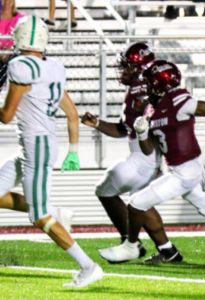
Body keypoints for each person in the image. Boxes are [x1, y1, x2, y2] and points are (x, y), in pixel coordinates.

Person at [99, 60, 205, 264]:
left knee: (137, 203)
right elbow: (149, 149)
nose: (146, 87)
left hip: (184, 173)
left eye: (150, 83)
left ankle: (130, 246)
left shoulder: (178, 99)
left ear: (159, 83)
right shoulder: (154, 107)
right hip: (179, 170)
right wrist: (142, 133)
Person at [0, 16, 102, 287]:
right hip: (37, 145)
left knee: (38, 216)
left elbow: (6, 116)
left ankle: (88, 266)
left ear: (19, 38)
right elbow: (71, 113)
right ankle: (57, 210)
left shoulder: (20, 66)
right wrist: (74, 151)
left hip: (37, 146)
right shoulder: (53, 68)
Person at [81, 42, 182, 265]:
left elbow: (155, 124)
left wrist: (158, 154)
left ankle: (130, 243)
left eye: (128, 67)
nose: (123, 71)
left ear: (141, 66)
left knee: (106, 190)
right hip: (144, 154)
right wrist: (97, 123)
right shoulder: (140, 87)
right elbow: (123, 129)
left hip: (145, 155)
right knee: (140, 202)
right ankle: (168, 251)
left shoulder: (148, 88)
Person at [0, 0, 25, 89]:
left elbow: (23, 39)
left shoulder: (21, 18)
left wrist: (9, 51)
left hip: (13, 55)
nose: (7, 2)